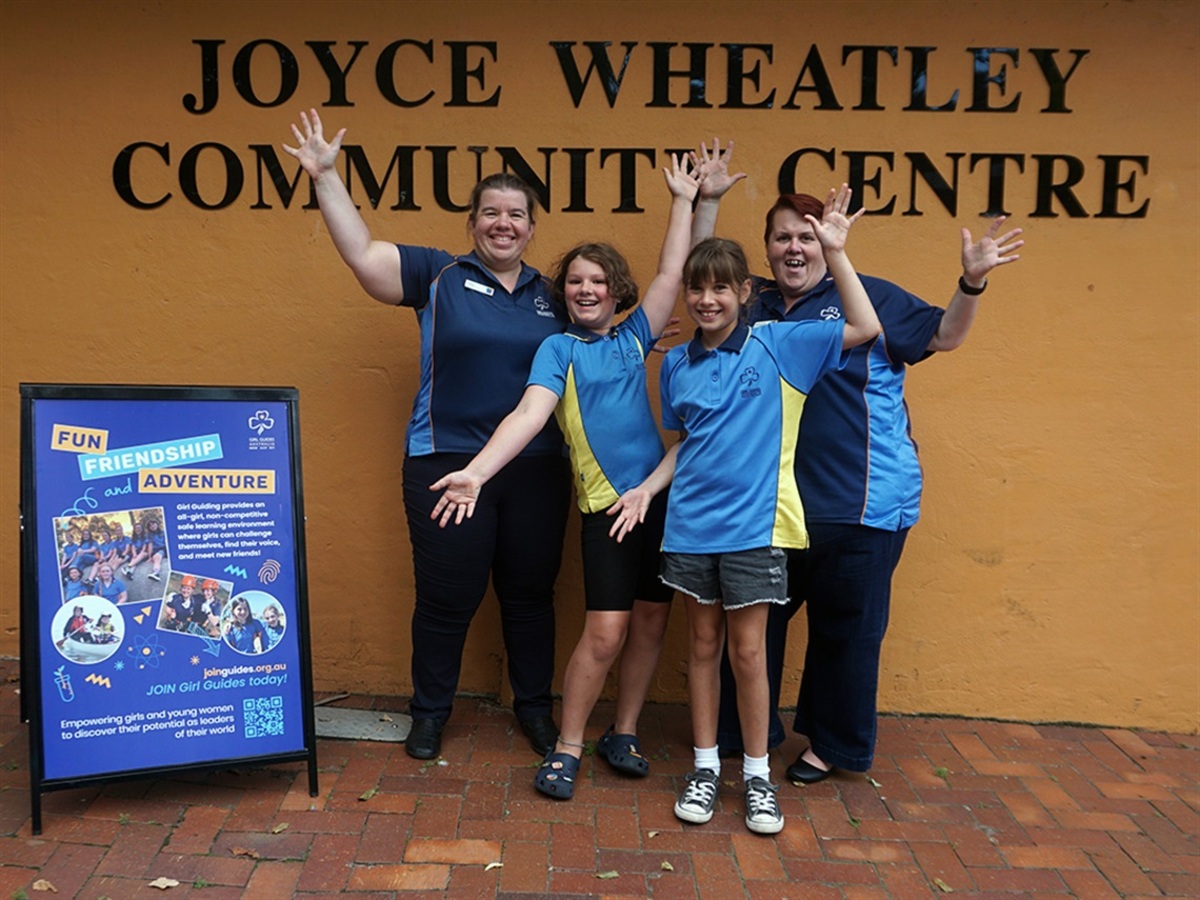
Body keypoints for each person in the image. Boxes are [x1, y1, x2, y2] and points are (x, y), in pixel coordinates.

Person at [695, 172, 1025, 784]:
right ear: (766, 248)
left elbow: (945, 335)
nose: (795, 248)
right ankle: (749, 733)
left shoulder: (865, 297)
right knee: (755, 623)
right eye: (782, 237)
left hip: (862, 502)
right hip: (771, 506)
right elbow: (702, 275)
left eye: (809, 237)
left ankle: (832, 745)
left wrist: (971, 280)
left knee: (846, 633)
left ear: (829, 243)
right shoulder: (756, 305)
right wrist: (705, 204)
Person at [284, 109, 571, 761]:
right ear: (472, 224)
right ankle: (430, 713)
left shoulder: (553, 294)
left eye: (516, 214)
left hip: (537, 468)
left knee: (529, 596)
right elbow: (361, 254)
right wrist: (326, 177)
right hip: (444, 466)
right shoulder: (439, 275)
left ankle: (534, 709)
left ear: (532, 228)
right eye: (490, 212)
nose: (504, 223)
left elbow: (611, 338)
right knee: (448, 598)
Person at [430, 151, 704, 800]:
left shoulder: (635, 337)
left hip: (659, 500)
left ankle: (625, 731)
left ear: (617, 292)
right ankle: (569, 744)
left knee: (650, 626)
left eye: (598, 281)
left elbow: (672, 269)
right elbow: (530, 413)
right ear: (564, 292)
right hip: (608, 509)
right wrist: (476, 471)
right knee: (604, 632)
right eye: (575, 281)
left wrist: (684, 201)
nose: (585, 290)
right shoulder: (557, 349)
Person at [659, 187, 882, 835]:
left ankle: (756, 775)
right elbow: (687, 446)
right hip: (691, 528)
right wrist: (649, 488)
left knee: (749, 654)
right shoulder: (675, 363)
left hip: (757, 528)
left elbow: (866, 328)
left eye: (721, 289)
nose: (706, 300)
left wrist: (836, 252)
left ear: (741, 294)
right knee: (702, 647)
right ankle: (706, 767)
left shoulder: (781, 344)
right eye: (696, 289)